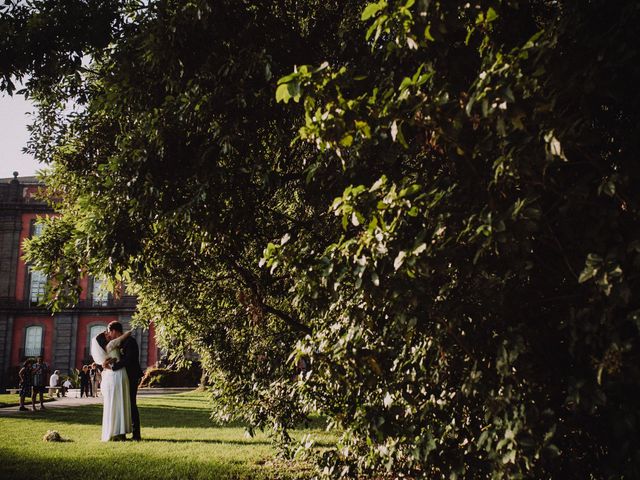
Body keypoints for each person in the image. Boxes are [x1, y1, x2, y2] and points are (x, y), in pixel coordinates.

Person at [90, 327, 133, 441]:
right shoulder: (110, 345)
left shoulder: (108, 347)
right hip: (116, 375)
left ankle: (116, 431)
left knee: (116, 402)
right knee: (118, 402)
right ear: (103, 339)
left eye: (108, 332)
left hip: (113, 374)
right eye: (106, 334)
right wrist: (128, 332)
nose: (108, 334)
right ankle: (118, 431)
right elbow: (123, 337)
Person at [106, 321, 143, 441]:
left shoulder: (130, 342)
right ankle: (122, 432)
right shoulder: (120, 343)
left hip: (132, 376)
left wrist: (113, 367)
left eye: (109, 332)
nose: (109, 335)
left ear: (114, 331)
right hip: (123, 377)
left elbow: (128, 360)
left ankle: (136, 435)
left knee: (131, 404)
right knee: (124, 404)